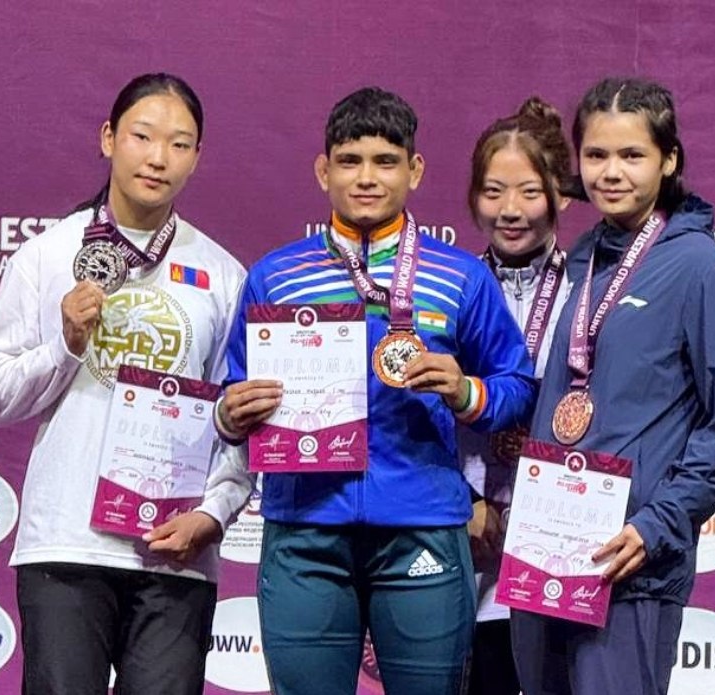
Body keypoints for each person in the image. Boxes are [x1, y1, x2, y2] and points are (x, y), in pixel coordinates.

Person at [214, 86, 537, 695]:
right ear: (323, 171)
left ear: (415, 170)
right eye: (350, 161)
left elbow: (517, 387)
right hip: (305, 530)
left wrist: (465, 391)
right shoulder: (275, 276)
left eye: (386, 161)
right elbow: (232, 395)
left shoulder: (460, 276)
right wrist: (231, 414)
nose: (366, 178)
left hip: (421, 526)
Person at [0, 73, 251, 695]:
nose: (158, 158)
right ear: (108, 139)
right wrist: (66, 344)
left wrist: (213, 514)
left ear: (197, 158)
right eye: (142, 136)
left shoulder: (224, 274)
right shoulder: (46, 256)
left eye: (179, 144)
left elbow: (235, 420)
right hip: (67, 546)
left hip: (176, 551)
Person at [509, 77, 715, 695]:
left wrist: (656, 525)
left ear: (668, 160)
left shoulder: (701, 268)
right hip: (546, 555)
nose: (611, 172)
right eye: (596, 155)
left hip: (629, 564)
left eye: (632, 155)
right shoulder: (583, 257)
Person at [460, 96, 577, 695]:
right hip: (466, 534)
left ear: (561, 194)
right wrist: (464, 503)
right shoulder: (449, 287)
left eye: (529, 192)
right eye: (493, 191)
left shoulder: (592, 292)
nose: (509, 210)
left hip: (561, 539)